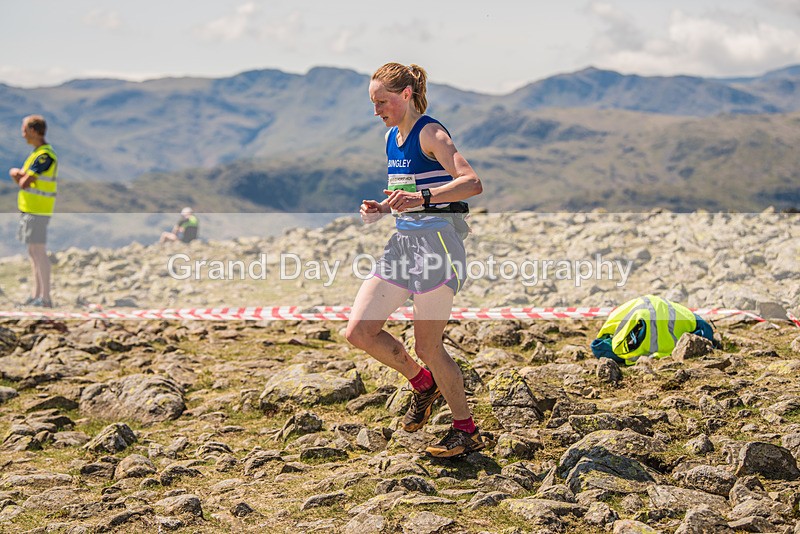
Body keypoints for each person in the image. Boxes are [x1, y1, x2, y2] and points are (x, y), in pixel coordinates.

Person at [345, 63, 485, 458]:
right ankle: (423, 385)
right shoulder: (392, 137)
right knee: (358, 331)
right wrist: (383, 208)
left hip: (438, 246)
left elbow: (472, 183)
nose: (377, 111)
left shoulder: (431, 133)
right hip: (403, 244)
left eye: (382, 102)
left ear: (406, 94)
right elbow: (407, 194)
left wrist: (422, 200)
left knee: (428, 345)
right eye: (372, 103)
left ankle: (466, 431)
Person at [9, 115, 57, 308]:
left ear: (34, 131)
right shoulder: (37, 154)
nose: (23, 135)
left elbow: (25, 182)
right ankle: (37, 294)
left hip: (39, 209)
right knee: (33, 251)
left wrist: (16, 174)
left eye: (25, 130)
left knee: (39, 251)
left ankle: (45, 297)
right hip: (31, 209)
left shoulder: (44, 155)